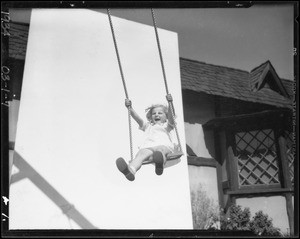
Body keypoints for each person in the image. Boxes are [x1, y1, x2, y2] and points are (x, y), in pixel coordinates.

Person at [116, 94, 176, 181]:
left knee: (160, 150)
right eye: (154, 113)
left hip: (164, 145)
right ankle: (130, 170)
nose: (156, 115)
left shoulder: (167, 126)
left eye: (160, 113)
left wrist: (170, 104)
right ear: (150, 117)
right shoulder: (148, 126)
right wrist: (130, 109)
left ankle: (159, 164)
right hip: (148, 147)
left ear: (166, 116)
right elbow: (138, 120)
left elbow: (171, 117)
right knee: (141, 154)